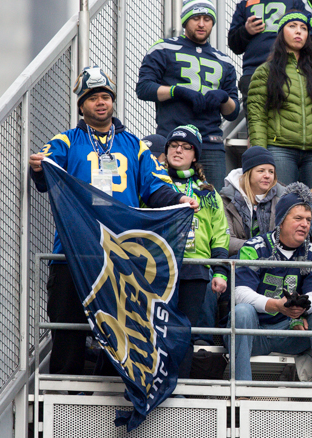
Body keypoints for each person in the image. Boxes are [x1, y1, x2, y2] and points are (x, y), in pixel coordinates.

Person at [29, 66, 197, 377]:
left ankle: (113, 386)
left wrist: (179, 199)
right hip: (74, 250)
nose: (101, 102)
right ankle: (65, 389)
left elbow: (155, 187)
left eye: (106, 96)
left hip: (121, 251)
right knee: (67, 327)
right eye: (93, 97)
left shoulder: (135, 144)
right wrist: (38, 169)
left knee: (122, 327)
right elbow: (45, 177)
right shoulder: (66, 141)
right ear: (81, 105)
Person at [231, 183, 312, 383]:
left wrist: (300, 310)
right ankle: (241, 390)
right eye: (298, 218)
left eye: (308, 220)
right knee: (242, 312)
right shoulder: (255, 247)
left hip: (291, 332)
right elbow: (240, 293)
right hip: (255, 333)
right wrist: (276, 305)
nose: (305, 224)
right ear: (281, 221)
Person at [136, 0, 240, 189]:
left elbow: (233, 112)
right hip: (174, 140)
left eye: (207, 19)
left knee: (212, 201)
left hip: (210, 143)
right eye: (196, 18)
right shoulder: (163, 48)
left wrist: (223, 97)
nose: (201, 24)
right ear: (185, 21)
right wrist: (176, 91)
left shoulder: (224, 60)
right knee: (169, 199)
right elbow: (144, 88)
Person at [247, 9, 312, 185]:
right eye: (292, 26)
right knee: (281, 200)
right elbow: (257, 117)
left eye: (303, 28)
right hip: (279, 149)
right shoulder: (265, 71)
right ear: (281, 32)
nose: (298, 31)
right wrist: (260, 155)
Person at [162, 125, 230, 379]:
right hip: (160, 266)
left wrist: (220, 272)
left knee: (184, 332)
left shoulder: (208, 193)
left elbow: (220, 234)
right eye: (173, 145)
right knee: (159, 329)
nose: (178, 150)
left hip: (195, 269)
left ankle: (178, 385)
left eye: (186, 147)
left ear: (195, 156)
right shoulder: (154, 184)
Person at [219, 146, 286, 257]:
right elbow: (226, 240)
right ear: (248, 173)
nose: (267, 176)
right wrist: (259, 248)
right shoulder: (227, 200)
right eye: (261, 171)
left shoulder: (283, 199)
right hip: (239, 260)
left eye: (271, 171)